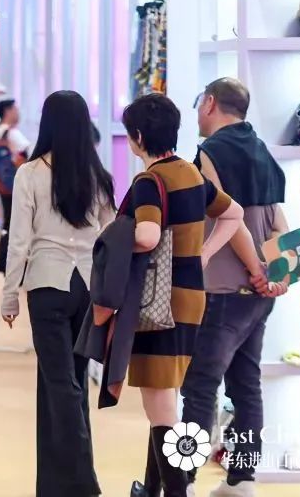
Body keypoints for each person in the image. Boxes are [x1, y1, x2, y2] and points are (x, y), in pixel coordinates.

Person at [82, 93, 248, 497]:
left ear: (138, 137)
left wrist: (111, 235)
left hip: (157, 303)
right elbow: (233, 213)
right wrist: (203, 254)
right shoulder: (191, 173)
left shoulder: (148, 182)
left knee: (160, 408)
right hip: (190, 297)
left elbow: (147, 235)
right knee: (166, 397)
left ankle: (176, 490)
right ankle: (153, 488)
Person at [0, 91, 113, 497]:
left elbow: (19, 241)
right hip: (88, 286)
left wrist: (9, 295)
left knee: (60, 384)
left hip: (47, 286)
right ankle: (54, 484)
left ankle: (82, 482)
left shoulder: (30, 173)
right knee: (69, 383)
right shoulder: (98, 175)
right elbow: (110, 237)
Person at [180, 79, 289, 497]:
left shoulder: (210, 152)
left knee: (199, 388)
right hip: (258, 297)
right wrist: (277, 274)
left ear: (210, 103)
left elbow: (231, 216)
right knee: (246, 387)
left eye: (199, 103)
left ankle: (183, 481)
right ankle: (242, 479)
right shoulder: (262, 151)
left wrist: (254, 268)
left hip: (222, 290)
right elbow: (279, 223)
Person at [0, 98, 31, 273]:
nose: (18, 112)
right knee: (16, 223)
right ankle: (9, 262)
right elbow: (29, 153)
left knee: (8, 221)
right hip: (14, 182)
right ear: (8, 111)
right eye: (15, 109)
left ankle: (2, 259)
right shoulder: (12, 133)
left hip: (2, 182)